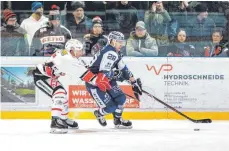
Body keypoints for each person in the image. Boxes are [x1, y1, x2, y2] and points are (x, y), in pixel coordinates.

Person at [80, 31, 142, 129]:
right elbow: (103, 75)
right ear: (112, 41)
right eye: (119, 42)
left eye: (122, 42)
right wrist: (117, 75)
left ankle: (118, 120)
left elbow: (123, 68)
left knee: (121, 98)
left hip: (106, 80)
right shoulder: (110, 53)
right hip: (95, 83)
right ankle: (99, 113)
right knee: (110, 107)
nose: (121, 44)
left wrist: (133, 82)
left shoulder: (116, 52)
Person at [32, 39, 84, 134]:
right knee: (59, 95)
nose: (82, 52)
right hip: (41, 77)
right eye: (79, 50)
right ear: (72, 50)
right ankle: (55, 121)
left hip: (49, 77)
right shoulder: (66, 58)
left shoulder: (68, 56)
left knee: (64, 97)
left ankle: (63, 119)